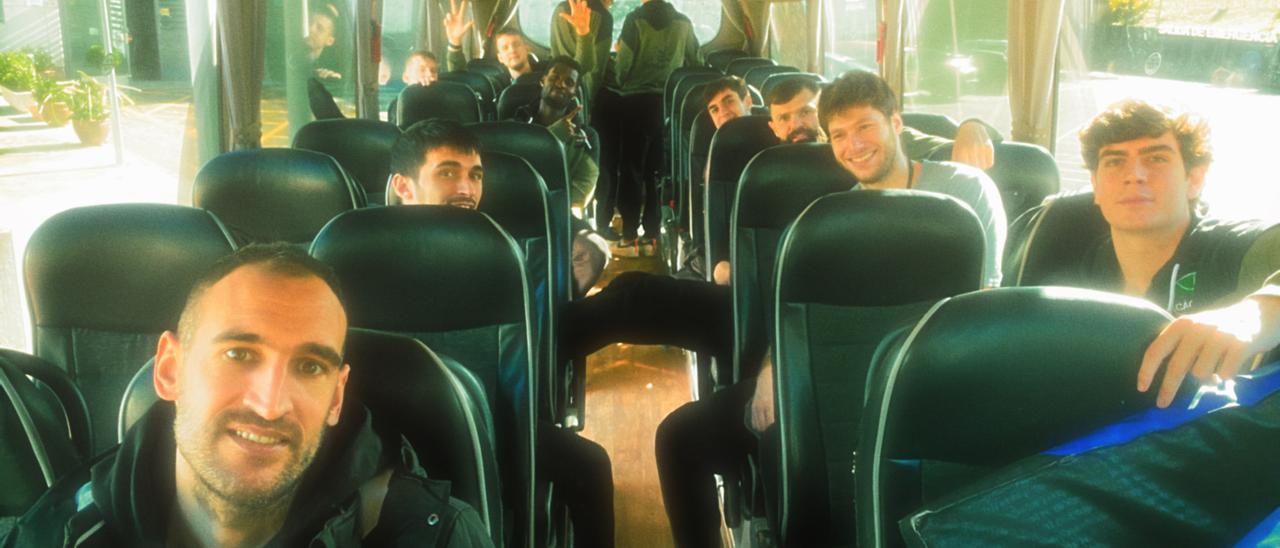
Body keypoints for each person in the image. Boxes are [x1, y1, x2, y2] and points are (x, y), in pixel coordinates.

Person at [883, 99, 1280, 546]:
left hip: (1205, 489)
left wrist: (1263, 307)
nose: (1135, 174)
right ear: (1094, 185)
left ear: (1195, 178)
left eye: (1156, 158)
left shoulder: (1230, 247)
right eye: (1115, 162)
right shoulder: (1066, 279)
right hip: (1083, 494)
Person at [2, 244, 492, 546]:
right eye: (238, 354)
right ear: (171, 370)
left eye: (308, 366)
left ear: (336, 399)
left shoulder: (433, 535)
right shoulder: (59, 531)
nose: (269, 404)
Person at [388, 119, 616, 547]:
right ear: (404, 186)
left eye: (475, 175)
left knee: (589, 466)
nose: (466, 188)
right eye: (447, 172)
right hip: (386, 446)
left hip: (499, 429)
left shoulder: (496, 251)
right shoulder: (361, 254)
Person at [593, 0, 701, 246]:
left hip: (634, 102)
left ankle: (629, 233)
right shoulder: (684, 22)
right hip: (666, 102)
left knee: (631, 169)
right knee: (657, 171)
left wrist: (620, 79)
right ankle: (652, 232)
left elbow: (623, 66)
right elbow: (696, 61)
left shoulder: (635, 20)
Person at [512, 56, 600, 212]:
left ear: (574, 93)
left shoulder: (587, 137)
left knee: (592, 238)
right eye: (555, 77)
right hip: (515, 209)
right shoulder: (517, 124)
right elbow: (511, 175)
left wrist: (542, 203)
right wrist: (553, 136)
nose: (561, 84)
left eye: (569, 82)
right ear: (542, 80)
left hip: (559, 213)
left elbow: (582, 192)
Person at [550, 0, 613, 103]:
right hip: (580, 95)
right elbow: (596, 71)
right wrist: (589, 103)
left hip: (555, 89)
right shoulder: (604, 18)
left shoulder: (560, 8)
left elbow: (554, 52)